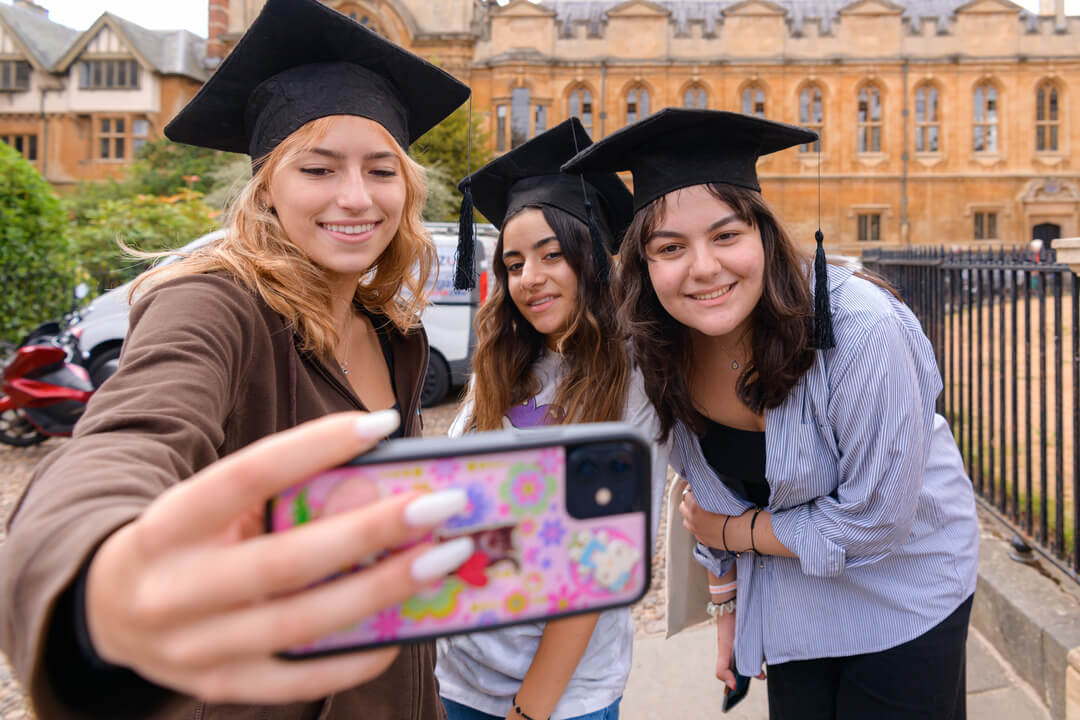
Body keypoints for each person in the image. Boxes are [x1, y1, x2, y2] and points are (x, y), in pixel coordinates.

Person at [0, 1, 477, 718]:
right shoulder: (214, 305)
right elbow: (130, 437)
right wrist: (97, 590)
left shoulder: (391, 332)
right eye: (317, 168)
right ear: (267, 187)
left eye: (381, 170)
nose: (356, 196)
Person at [563, 108, 979, 719]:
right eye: (671, 247)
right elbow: (710, 491)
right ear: (644, 264)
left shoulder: (862, 329)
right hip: (794, 595)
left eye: (727, 236)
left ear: (763, 233)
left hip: (906, 589)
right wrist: (728, 609)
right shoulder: (660, 342)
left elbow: (877, 522)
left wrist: (737, 534)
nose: (703, 268)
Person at [436, 118, 669, 720]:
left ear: (590, 258)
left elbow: (599, 566)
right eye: (514, 264)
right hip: (458, 676)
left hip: (560, 699)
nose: (529, 279)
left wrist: (531, 708)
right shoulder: (507, 363)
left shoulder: (632, 381)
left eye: (551, 255)